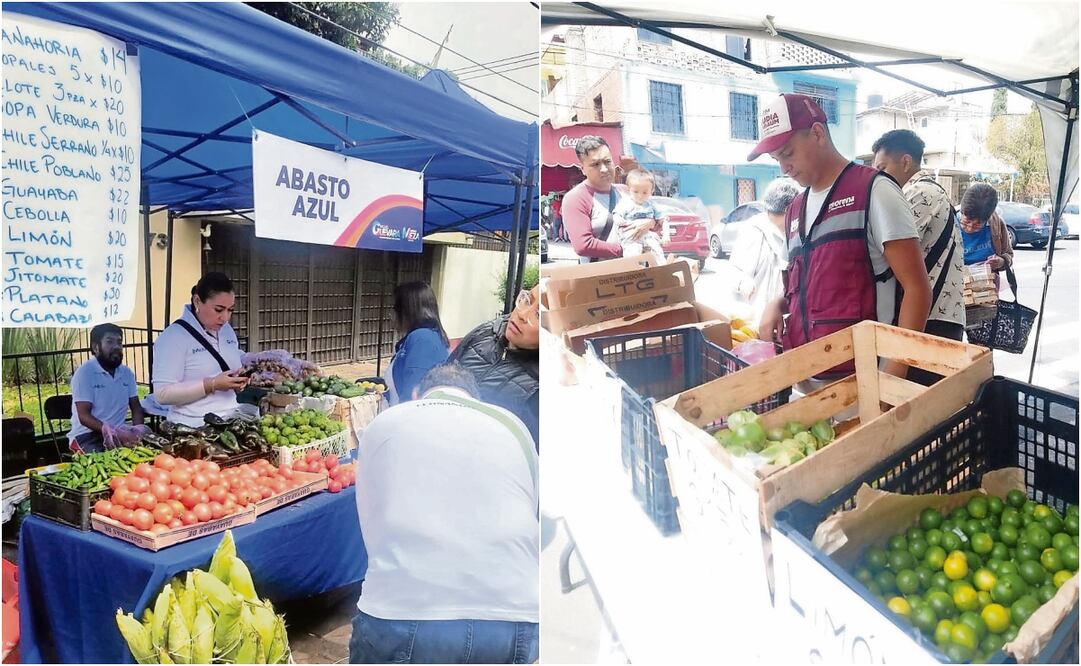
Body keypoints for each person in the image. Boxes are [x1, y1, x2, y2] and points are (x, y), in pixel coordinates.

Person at [350, 364, 538, 664]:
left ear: (417, 395)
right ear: (475, 398)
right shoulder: (512, 426)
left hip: (403, 610)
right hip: (514, 613)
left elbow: (372, 524)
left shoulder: (386, 421)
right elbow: (532, 511)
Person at [751, 94, 931, 380]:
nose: (783, 168)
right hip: (806, 377)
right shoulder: (795, 209)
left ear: (817, 133)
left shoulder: (875, 191)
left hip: (866, 379)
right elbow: (808, 286)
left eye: (787, 153)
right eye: (776, 159)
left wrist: (892, 378)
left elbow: (917, 288)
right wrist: (777, 303)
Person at [872, 129, 967, 347]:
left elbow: (885, 249)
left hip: (932, 318)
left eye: (882, 168)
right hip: (939, 314)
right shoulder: (930, 191)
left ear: (906, 162)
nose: (878, 177)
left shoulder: (920, 193)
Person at [151, 272, 249, 427]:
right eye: (218, 310)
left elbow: (229, 369)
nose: (225, 318)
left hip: (231, 422)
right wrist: (212, 384)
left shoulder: (226, 330)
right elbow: (162, 394)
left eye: (230, 310)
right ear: (197, 301)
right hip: (192, 426)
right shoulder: (173, 337)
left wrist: (238, 381)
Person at [448, 285, 540, 447]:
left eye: (538, 314)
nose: (521, 314)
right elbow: (442, 374)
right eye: (527, 300)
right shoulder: (485, 332)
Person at [561, 135, 655, 262]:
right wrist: (626, 249)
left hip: (636, 268)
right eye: (595, 164)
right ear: (583, 169)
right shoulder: (576, 199)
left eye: (607, 161)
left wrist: (650, 223)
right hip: (601, 273)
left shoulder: (626, 191)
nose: (604, 169)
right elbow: (583, 245)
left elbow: (652, 216)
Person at [728, 177, 800, 327]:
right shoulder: (753, 230)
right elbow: (733, 270)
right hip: (757, 318)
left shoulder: (800, 231)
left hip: (789, 319)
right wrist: (743, 282)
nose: (782, 228)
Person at [67, 324, 146, 453]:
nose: (116, 347)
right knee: (108, 462)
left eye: (119, 342)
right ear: (95, 347)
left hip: (119, 433)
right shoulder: (85, 373)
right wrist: (107, 429)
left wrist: (137, 432)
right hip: (87, 436)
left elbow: (136, 407)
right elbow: (84, 416)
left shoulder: (127, 373)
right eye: (109, 342)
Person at [384, 281, 450, 405]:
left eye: (394, 309)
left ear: (407, 311)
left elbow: (412, 395)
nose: (390, 315)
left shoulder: (423, 339)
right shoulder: (423, 336)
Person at [959, 183, 1013, 286]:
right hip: (956, 286)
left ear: (987, 219)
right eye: (966, 222)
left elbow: (1008, 254)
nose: (970, 228)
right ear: (962, 212)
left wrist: (1001, 262)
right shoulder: (950, 223)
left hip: (987, 287)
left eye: (977, 225)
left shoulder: (996, 224)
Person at [613, 168, 668, 264]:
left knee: (657, 252)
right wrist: (622, 222)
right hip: (631, 236)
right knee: (634, 256)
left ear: (652, 191)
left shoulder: (652, 205)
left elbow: (664, 221)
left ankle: (662, 268)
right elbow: (616, 215)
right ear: (629, 190)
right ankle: (636, 269)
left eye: (645, 192)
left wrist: (666, 235)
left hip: (648, 236)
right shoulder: (625, 204)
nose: (640, 196)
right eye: (636, 191)